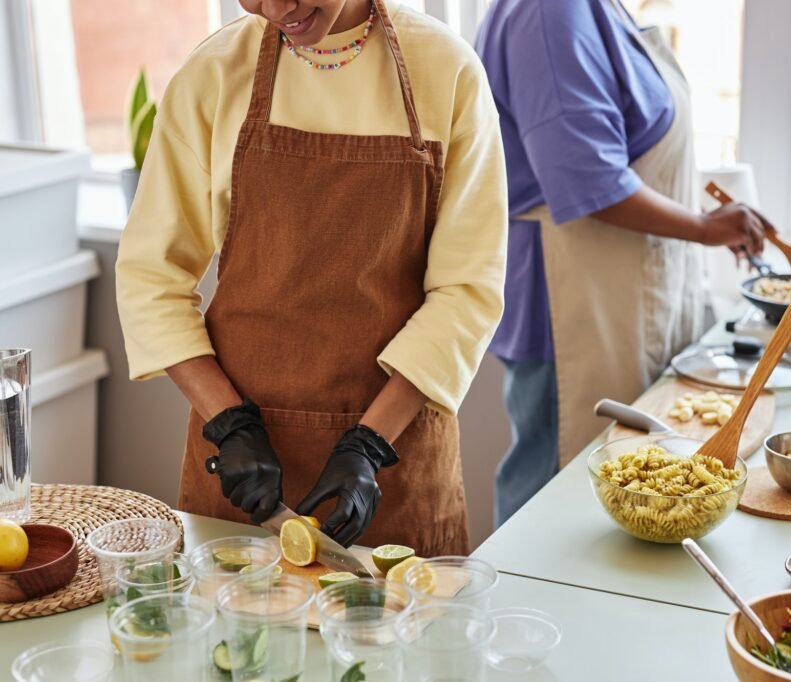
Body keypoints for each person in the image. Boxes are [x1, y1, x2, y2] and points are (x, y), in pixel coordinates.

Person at [116, 0, 507, 556]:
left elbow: (468, 289)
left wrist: (369, 444)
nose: (278, 8)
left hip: (393, 463)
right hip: (243, 470)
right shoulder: (215, 73)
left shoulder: (445, 71)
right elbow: (151, 276)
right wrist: (228, 424)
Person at [476, 0, 771, 526]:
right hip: (569, 297)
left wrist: (698, 219)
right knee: (557, 498)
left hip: (618, 286)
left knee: (625, 480)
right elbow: (588, 180)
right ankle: (523, 608)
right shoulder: (549, 13)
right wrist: (703, 228)